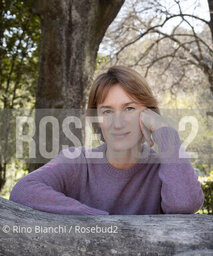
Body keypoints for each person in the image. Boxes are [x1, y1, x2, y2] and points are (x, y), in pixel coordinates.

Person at [9, 65, 204, 215]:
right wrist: (98, 219)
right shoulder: (78, 161)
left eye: (129, 109)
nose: (117, 124)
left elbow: (185, 203)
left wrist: (165, 131)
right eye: (107, 111)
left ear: (149, 114)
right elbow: (23, 190)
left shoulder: (165, 169)